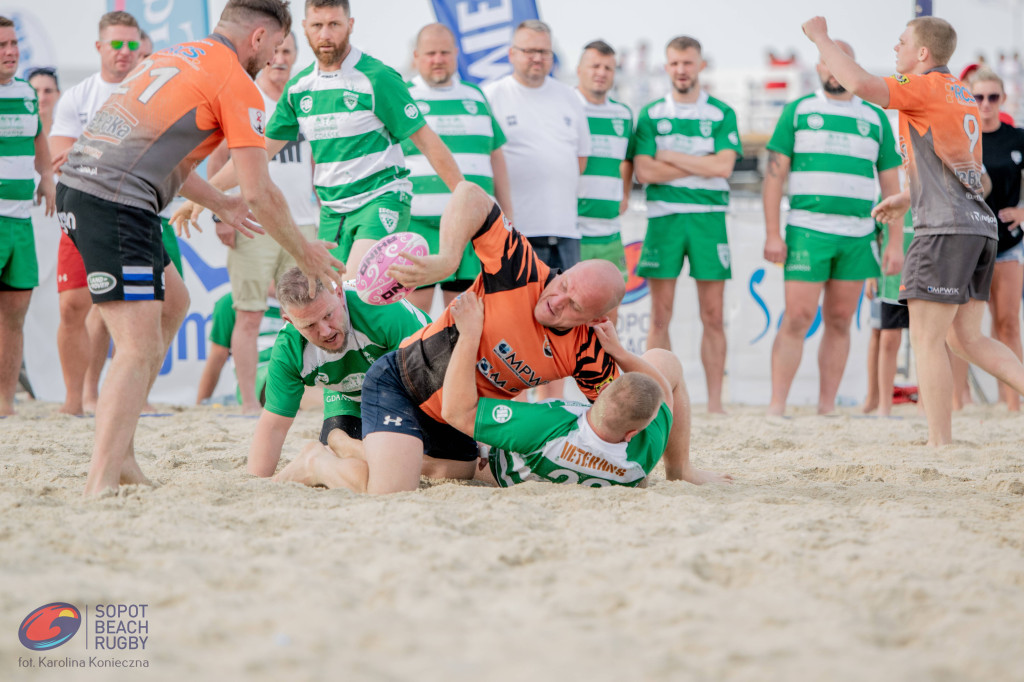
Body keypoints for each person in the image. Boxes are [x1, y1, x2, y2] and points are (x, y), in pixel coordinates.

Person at [57, 0, 343, 496]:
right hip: (113, 201)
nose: (274, 59)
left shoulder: (176, 56)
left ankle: (122, 460)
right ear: (257, 38)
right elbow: (261, 190)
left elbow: (164, 159)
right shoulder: (236, 81)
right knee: (138, 346)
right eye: (274, 48)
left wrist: (221, 204)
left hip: (102, 190)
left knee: (176, 302)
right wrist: (304, 252)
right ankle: (100, 481)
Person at [352, 181, 730, 495]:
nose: (555, 301)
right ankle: (328, 453)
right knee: (392, 493)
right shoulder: (523, 270)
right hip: (404, 384)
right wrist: (450, 259)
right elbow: (470, 193)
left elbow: (630, 408)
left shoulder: (587, 348)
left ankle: (682, 469)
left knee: (452, 473)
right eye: (562, 284)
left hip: (463, 418)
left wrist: (620, 354)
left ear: (595, 318)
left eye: (573, 305)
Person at [802, 15, 1024, 445]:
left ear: (923, 53)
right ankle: (944, 436)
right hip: (980, 227)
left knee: (926, 339)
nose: (896, 49)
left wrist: (821, 38)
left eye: (902, 43)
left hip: (945, 230)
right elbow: (971, 175)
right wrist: (908, 197)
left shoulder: (925, 86)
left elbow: (862, 86)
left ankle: (940, 442)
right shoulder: (961, 95)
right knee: (967, 340)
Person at [186, 0, 464, 277]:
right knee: (332, 304)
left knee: (355, 289)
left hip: (381, 200)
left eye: (334, 25)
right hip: (332, 213)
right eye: (318, 25)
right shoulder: (298, 88)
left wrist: (466, 199)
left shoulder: (377, 77)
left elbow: (427, 141)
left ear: (350, 25)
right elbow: (258, 154)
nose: (325, 34)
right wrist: (204, 195)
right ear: (305, 27)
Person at [441, 291, 715, 488]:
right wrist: (618, 351)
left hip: (505, 468)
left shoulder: (549, 423)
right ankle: (679, 469)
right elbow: (664, 391)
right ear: (635, 433)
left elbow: (458, 412)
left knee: (440, 464)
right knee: (665, 360)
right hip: (619, 474)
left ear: (597, 398)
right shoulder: (645, 452)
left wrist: (470, 335)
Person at [762, 40, 904, 416]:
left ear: (851, 67)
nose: (833, 70)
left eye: (841, 63)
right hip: (807, 229)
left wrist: (894, 244)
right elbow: (774, 179)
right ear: (819, 67)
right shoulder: (798, 111)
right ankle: (777, 406)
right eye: (827, 62)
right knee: (797, 318)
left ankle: (827, 407)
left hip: (858, 234)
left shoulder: (874, 118)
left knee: (840, 320)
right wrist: (773, 233)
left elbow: (892, 188)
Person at [204, 31, 319, 413]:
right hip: (253, 224)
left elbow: (315, 160)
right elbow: (217, 160)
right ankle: (250, 403)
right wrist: (220, 213)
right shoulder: (249, 100)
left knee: (307, 310)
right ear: (265, 54)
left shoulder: (304, 100)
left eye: (289, 51)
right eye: (277, 51)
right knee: (250, 314)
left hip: (302, 223)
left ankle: (296, 395)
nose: (281, 57)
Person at [633, 36, 742, 414]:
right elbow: (644, 171)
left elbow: (724, 166)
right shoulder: (650, 113)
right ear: (667, 67)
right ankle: (659, 402)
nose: (682, 70)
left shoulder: (721, 112)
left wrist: (670, 158)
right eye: (675, 63)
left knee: (712, 314)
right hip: (664, 219)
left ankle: (715, 403)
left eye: (688, 63)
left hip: (709, 220)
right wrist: (701, 160)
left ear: (700, 65)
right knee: (660, 315)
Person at [484, 20, 590, 399]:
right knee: (513, 320)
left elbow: (579, 158)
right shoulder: (492, 95)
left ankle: (552, 402)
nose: (536, 58)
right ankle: (513, 399)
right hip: (514, 230)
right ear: (512, 54)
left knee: (562, 319)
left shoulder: (568, 98)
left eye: (543, 51)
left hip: (564, 227)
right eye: (528, 50)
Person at [49, 11, 145, 416]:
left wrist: (88, 150)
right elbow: (58, 158)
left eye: (131, 44)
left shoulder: (149, 92)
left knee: (136, 308)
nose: (124, 52)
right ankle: (77, 400)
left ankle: (119, 396)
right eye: (116, 44)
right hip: (85, 212)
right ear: (99, 47)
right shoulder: (79, 95)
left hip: (137, 213)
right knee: (74, 306)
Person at [247, 267, 429, 478]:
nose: (325, 331)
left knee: (445, 466)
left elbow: (426, 385)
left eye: (328, 315)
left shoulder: (382, 310)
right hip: (347, 397)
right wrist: (256, 483)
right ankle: (327, 451)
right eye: (309, 325)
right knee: (366, 470)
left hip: (413, 387)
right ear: (291, 322)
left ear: (340, 294)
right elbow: (273, 427)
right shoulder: (288, 348)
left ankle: (335, 444)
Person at [401, 22, 511, 313]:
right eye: (430, 53)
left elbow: (496, 157)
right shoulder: (403, 96)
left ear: (456, 54)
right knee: (414, 319)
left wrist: (508, 214)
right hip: (418, 227)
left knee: (465, 318)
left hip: (469, 230)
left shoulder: (476, 96)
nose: (438, 59)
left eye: (445, 53)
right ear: (416, 57)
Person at [0, 16, 56, 416]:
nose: (10, 52)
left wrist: (48, 176)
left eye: (13, 44)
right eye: (1, 46)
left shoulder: (25, 92)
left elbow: (38, 136)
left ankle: (6, 403)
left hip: (21, 220)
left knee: (15, 314)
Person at [970, 68, 1024, 411]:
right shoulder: (962, 137)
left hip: (1007, 242)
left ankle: (1012, 403)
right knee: (960, 331)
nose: (986, 104)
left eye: (992, 97)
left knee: (1007, 322)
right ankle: (957, 403)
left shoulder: (1017, 137)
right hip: (969, 243)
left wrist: (1023, 211)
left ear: (1002, 99)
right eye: (978, 97)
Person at [575, 40, 636, 322]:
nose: (601, 72)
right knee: (571, 313)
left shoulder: (623, 114)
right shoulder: (567, 107)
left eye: (608, 67)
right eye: (595, 66)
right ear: (579, 70)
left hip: (610, 232)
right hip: (573, 232)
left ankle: (607, 369)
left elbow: (627, 159)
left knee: (609, 315)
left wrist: (624, 195)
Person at [195, 290, 284, 405]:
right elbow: (217, 356)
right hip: (264, 377)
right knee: (284, 381)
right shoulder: (232, 302)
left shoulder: (305, 300)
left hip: (296, 369)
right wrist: (201, 403)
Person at [26, 66, 59, 136]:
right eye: (35, 91)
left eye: (48, 91)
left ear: (58, 94)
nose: (41, 98)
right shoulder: (15, 132)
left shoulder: (68, 131)